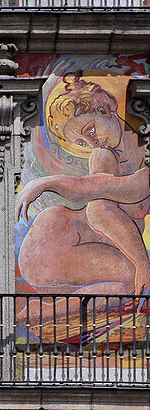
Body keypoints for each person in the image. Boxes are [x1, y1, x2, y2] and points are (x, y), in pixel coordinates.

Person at [16, 74, 150, 323]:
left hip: (74, 245)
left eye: (90, 131)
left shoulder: (140, 156)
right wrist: (143, 264)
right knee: (132, 277)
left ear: (106, 107)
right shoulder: (103, 157)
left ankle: (40, 312)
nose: (92, 142)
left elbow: (127, 188)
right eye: (81, 141)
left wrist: (47, 182)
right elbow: (99, 211)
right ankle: (39, 314)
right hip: (53, 243)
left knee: (130, 282)